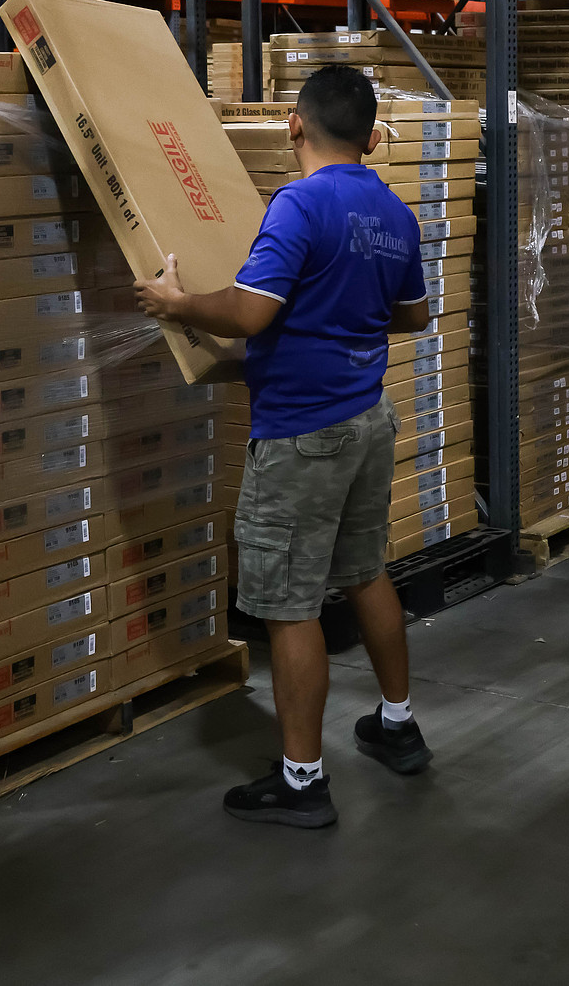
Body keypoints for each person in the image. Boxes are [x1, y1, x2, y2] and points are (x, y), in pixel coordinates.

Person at [135, 63, 433, 829]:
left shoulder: (300, 204)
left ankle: (303, 782)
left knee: (289, 604)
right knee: (366, 572)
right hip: (367, 418)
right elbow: (413, 317)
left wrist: (177, 304)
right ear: (370, 137)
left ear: (293, 125)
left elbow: (250, 311)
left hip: (303, 433)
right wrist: (337, 324)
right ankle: (397, 725)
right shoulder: (394, 213)